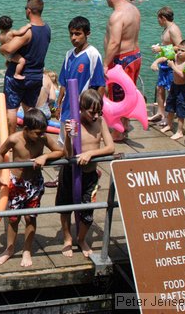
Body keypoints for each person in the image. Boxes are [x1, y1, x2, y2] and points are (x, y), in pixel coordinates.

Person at [0, 108, 63, 267]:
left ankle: (27, 250)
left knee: (30, 217)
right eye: (37, 133)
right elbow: (0, 153)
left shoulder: (43, 138)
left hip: (34, 182)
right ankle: (9, 248)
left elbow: (61, 152)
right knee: (13, 218)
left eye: (42, 133)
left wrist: (45, 156)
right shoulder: (14, 139)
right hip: (17, 184)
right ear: (26, 130)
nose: (41, 136)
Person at [58, 90, 114, 258]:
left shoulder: (101, 122)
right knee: (65, 207)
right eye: (92, 112)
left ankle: (81, 239)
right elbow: (67, 155)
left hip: (89, 174)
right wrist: (68, 136)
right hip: (70, 172)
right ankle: (67, 238)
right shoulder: (75, 124)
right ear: (81, 108)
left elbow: (110, 147)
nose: (95, 116)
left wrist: (90, 154)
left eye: (99, 112)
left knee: (88, 211)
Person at [0, 0, 52, 136]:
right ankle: (28, 138)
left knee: (11, 109)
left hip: (18, 77)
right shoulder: (47, 29)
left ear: (29, 11)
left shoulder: (28, 31)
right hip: (36, 76)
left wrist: (1, 48)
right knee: (29, 109)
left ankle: (11, 141)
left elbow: (9, 49)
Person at [56, 16, 106, 140]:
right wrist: (58, 105)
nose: (74, 38)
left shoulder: (93, 55)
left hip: (80, 112)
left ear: (87, 33)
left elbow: (100, 85)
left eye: (78, 34)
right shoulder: (69, 54)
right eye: (71, 34)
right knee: (64, 144)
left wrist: (97, 110)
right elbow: (63, 83)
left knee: (78, 144)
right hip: (66, 110)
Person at [103, 0, 141, 141]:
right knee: (129, 92)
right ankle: (124, 124)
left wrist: (105, 64)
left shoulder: (117, 15)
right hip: (135, 56)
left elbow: (114, 43)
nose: (106, 0)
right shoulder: (134, 9)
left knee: (117, 96)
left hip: (121, 60)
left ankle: (117, 132)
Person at [153, 40, 185, 140]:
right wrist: (155, 62)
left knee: (181, 110)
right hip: (174, 85)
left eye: (182, 51)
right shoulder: (176, 57)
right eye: (178, 50)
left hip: (183, 88)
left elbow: (182, 75)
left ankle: (179, 131)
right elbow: (164, 58)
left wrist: (172, 66)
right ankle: (169, 124)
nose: (179, 52)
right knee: (170, 107)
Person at [149, 7, 182, 125]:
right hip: (163, 63)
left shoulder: (173, 29)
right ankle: (160, 112)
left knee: (169, 89)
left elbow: (180, 47)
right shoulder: (167, 29)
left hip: (170, 63)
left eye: (158, 19)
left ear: (162, 18)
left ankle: (169, 115)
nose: (158, 21)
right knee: (160, 88)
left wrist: (161, 48)